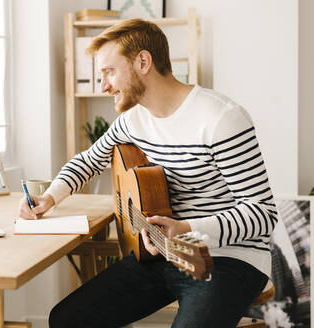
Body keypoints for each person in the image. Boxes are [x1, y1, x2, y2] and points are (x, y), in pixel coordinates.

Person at [18, 18, 278, 328]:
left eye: (109, 72)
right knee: (66, 320)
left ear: (143, 61)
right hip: (164, 253)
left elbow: (262, 213)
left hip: (229, 258)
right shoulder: (133, 120)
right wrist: (49, 197)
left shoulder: (221, 119)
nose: (103, 86)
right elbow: (88, 160)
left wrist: (184, 228)